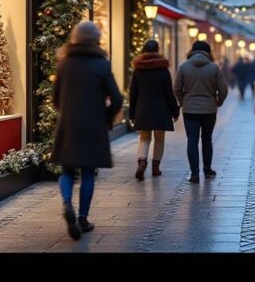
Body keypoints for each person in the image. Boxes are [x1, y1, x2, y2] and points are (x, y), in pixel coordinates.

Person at [51, 21, 124, 240]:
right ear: (96, 39)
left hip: (69, 124)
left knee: (67, 170)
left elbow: (56, 98)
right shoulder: (101, 64)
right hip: (93, 125)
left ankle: (66, 202)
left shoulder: (64, 63)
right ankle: (82, 217)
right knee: (88, 172)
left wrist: (66, 110)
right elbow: (118, 98)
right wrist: (107, 116)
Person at [174, 40, 228, 183]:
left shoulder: (184, 67)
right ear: (208, 52)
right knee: (207, 139)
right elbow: (223, 89)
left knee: (192, 140)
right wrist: (218, 101)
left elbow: (177, 88)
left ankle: (195, 174)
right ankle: (208, 169)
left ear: (192, 51)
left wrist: (183, 101)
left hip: (190, 110)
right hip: (209, 110)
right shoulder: (214, 68)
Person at [129, 40, 180, 181]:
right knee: (159, 139)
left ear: (144, 50)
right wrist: (175, 111)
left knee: (144, 138)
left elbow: (133, 93)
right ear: (158, 50)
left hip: (143, 109)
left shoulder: (138, 69)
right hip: (161, 110)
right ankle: (155, 168)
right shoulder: (163, 70)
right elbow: (169, 93)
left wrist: (132, 113)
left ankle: (142, 161)